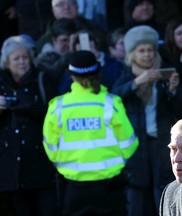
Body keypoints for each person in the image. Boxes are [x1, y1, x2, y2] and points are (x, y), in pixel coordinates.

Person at [42, 50, 139, 215]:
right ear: (98, 72)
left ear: (71, 75)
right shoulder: (110, 103)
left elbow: (51, 148)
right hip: (109, 188)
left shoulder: (58, 107)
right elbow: (130, 144)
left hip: (74, 188)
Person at [112, 25, 182, 216]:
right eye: (141, 51)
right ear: (132, 54)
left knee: (164, 191)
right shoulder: (126, 77)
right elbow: (114, 100)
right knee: (137, 197)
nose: (147, 55)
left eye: (150, 50)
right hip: (135, 145)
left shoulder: (163, 76)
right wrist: (137, 82)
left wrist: (173, 91)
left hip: (161, 143)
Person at [0, 36, 58, 215]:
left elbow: (54, 113)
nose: (22, 62)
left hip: (40, 165)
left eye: (25, 57)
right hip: (10, 170)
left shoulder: (41, 80)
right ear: (6, 62)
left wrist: (23, 106)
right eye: (16, 58)